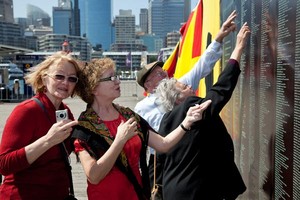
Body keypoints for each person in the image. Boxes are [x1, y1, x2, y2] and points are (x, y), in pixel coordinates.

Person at [70, 58, 211, 200]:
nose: (118, 81)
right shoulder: (85, 127)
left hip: (135, 194)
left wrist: (186, 122)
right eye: (111, 78)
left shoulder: (128, 115)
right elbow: (94, 176)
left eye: (117, 77)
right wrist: (119, 140)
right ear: (93, 88)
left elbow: (163, 144)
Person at [134, 10, 238, 191]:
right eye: (159, 74)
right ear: (148, 85)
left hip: (187, 152)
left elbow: (203, 65)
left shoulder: (179, 87)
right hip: (161, 159)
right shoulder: (142, 108)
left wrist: (219, 37)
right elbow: (139, 140)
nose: (165, 74)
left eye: (163, 71)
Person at [153, 23, 250, 200]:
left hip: (172, 192)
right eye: (184, 87)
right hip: (195, 192)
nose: (190, 86)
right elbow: (221, 90)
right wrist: (238, 49)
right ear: (178, 98)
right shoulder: (192, 106)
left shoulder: (166, 121)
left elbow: (159, 162)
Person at [0, 51, 80, 199]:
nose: (65, 82)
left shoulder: (64, 111)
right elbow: (4, 164)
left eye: (72, 78)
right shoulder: (26, 110)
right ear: (44, 79)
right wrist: (48, 140)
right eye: (59, 76)